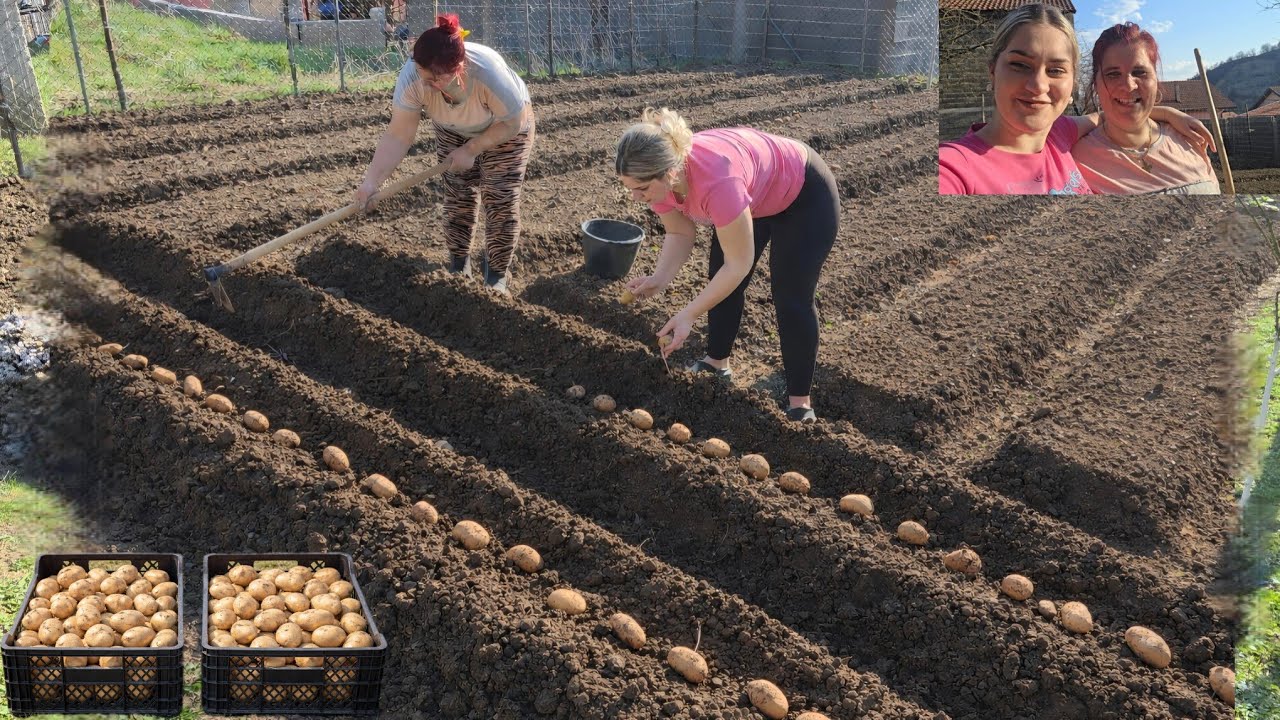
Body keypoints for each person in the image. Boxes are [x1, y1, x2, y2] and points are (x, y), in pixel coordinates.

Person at [615, 108, 839, 423]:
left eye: (641, 189)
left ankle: (800, 404)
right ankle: (716, 363)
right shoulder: (661, 182)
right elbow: (680, 233)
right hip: (755, 194)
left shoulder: (718, 183)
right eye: (629, 188)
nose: (636, 197)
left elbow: (738, 264)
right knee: (719, 279)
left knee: (791, 296)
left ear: (669, 173)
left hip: (804, 195)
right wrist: (660, 278)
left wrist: (688, 314)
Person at [938, 3, 1211, 195]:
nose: (1038, 85)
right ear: (992, 71)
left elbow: (1107, 115)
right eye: (1020, 65)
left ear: (1072, 83)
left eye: (1056, 70)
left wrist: (1166, 113)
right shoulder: (954, 168)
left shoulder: (1059, 134)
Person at [356, 14, 535, 295]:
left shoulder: (488, 75)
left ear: (457, 70)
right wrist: (371, 182)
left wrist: (472, 148)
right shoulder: (412, 78)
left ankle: (496, 277)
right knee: (458, 193)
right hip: (452, 127)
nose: (426, 84)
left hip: (504, 129)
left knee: (499, 197)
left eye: (434, 79)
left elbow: (514, 122)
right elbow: (398, 135)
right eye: (422, 74)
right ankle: (459, 266)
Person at [1071, 23, 1220, 195]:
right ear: (1096, 85)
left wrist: (1167, 113)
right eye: (1113, 74)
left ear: (1155, 80)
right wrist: (1166, 113)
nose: (1129, 85)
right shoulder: (1077, 161)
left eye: (1139, 72)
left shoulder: (1189, 139)